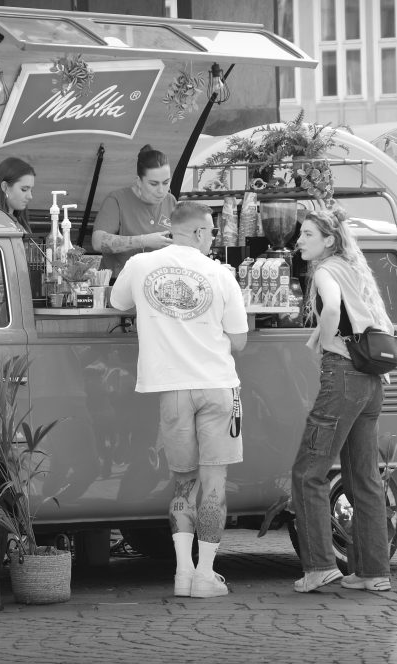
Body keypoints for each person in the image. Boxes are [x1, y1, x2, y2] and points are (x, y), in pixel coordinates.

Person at [109, 201, 247, 598]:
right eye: (212, 233)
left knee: (183, 483)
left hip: (170, 388)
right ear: (200, 233)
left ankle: (183, 574)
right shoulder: (221, 275)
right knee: (214, 482)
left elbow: (117, 304)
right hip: (218, 385)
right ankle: (207, 574)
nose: (213, 239)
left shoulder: (140, 265)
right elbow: (238, 341)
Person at [291, 205, 395, 593]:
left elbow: (332, 308)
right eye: (301, 234)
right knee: (363, 478)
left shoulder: (324, 270)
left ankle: (319, 566)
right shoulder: (355, 269)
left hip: (343, 377)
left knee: (307, 473)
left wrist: (321, 338)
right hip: (371, 382)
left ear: (329, 241)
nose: (299, 240)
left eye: (308, 235)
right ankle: (373, 572)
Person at [93, 144, 175, 278]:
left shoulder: (171, 201)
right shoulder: (117, 200)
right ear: (138, 181)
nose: (161, 190)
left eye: (166, 182)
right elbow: (98, 241)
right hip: (120, 283)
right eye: (153, 184)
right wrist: (143, 241)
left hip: (160, 284)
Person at [0, 157, 35, 232]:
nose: (30, 196)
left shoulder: (17, 220)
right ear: (5, 187)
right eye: (24, 189)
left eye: (31, 190)